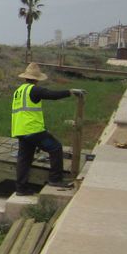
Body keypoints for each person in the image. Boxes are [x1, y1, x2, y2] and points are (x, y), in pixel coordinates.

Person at [11, 62, 85, 195]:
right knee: (55, 148)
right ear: (37, 79)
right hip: (33, 130)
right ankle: (55, 179)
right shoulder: (34, 89)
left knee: (24, 159)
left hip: (20, 130)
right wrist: (70, 92)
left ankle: (21, 189)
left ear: (26, 77)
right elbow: (52, 95)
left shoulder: (19, 91)